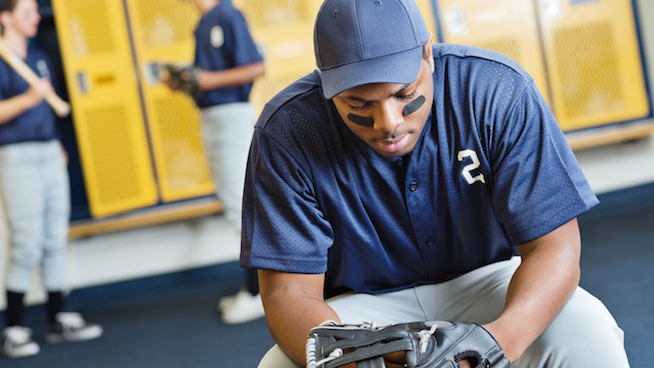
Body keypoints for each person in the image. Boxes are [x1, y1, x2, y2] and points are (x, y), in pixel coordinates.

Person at [240, 0, 631, 367]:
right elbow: (290, 293)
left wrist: (494, 345)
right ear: (325, 81)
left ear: (427, 54)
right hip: (363, 307)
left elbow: (555, 247)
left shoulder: (496, 91)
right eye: (359, 104)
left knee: (587, 328)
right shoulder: (287, 132)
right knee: (277, 364)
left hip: (488, 280)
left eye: (404, 94)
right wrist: (370, 358)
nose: (389, 122)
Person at [0, 0, 102, 359]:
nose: (33, 18)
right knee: (26, 242)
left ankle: (58, 318)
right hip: (16, 156)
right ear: (5, 17)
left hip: (48, 151)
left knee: (55, 237)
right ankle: (13, 327)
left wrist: (56, 143)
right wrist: (28, 98)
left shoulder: (39, 56)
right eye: (25, 12)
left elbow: (50, 110)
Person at [171, 0, 265, 324]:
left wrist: (208, 81)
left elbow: (256, 67)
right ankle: (254, 289)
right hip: (214, 118)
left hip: (230, 118)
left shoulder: (227, 15)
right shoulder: (203, 22)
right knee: (235, 204)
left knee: (242, 207)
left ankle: (259, 293)